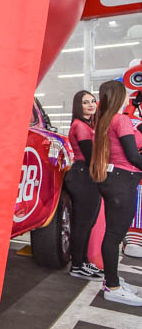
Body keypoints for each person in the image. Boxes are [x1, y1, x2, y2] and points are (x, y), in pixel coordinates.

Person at [90, 79, 142, 306]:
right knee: (114, 236)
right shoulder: (120, 120)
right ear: (119, 96)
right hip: (122, 182)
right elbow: (133, 155)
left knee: (112, 235)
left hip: (113, 180)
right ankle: (112, 286)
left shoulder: (104, 120)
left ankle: (112, 281)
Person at [64, 90, 102, 279]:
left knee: (88, 223)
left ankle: (83, 262)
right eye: (86, 102)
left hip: (86, 175)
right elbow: (90, 156)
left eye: (93, 101)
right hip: (82, 175)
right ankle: (77, 265)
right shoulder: (80, 126)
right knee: (82, 224)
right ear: (78, 106)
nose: (91, 105)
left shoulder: (87, 125)